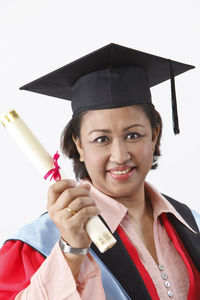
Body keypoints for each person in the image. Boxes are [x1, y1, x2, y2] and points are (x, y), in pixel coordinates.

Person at [0, 43, 200, 300]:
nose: (119, 155)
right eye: (101, 139)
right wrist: (71, 251)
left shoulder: (191, 222)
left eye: (133, 135)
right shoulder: (39, 242)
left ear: (154, 134)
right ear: (79, 145)